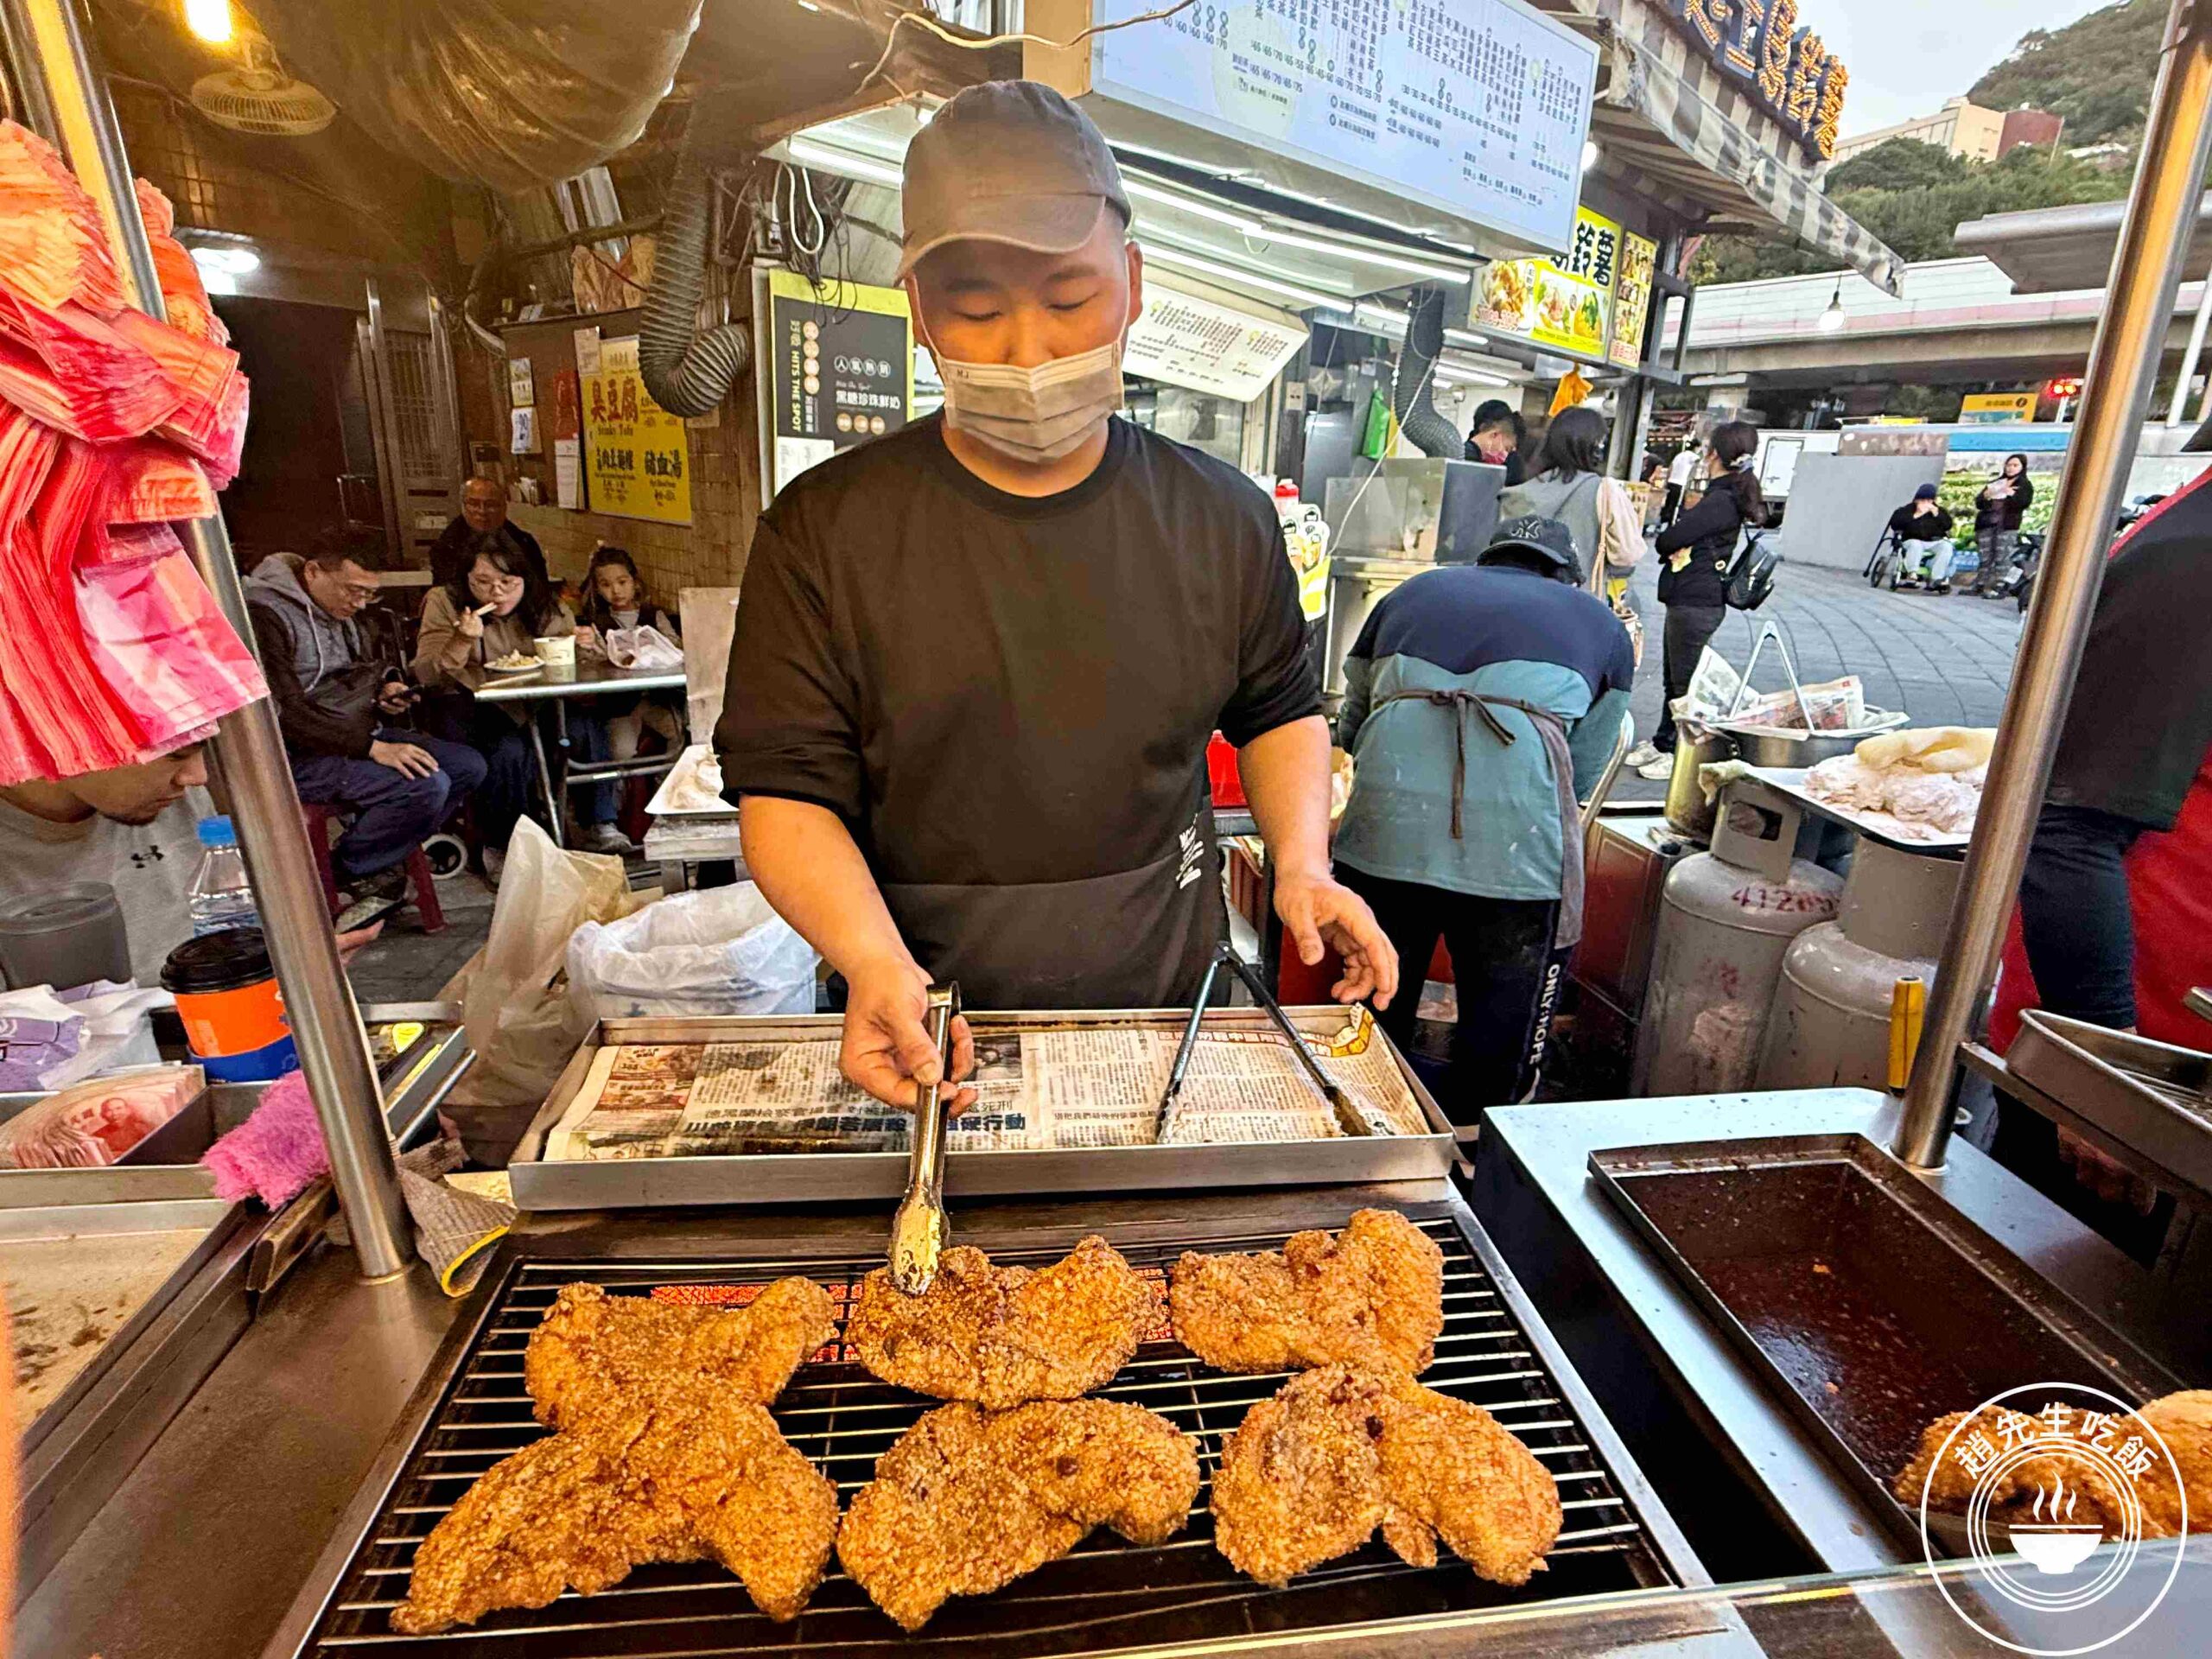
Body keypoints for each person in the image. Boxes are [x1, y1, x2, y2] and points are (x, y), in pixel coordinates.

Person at [716, 79, 1396, 1113]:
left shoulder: (1222, 517)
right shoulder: (824, 528)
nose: (1027, 349)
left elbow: (1278, 710)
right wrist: (865, 959)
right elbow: (786, 790)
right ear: (918, 312)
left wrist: (1301, 863)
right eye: (977, 308)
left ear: (1130, 282)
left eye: (1069, 299)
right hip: (922, 1010)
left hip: (1168, 1007)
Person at [1982, 465, 2212, 1262]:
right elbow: (2068, 828)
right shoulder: (2194, 558)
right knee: (2075, 1360)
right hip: (2145, 1087)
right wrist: (2109, 1084)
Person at [1332, 516, 1634, 1114]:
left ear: (1487, 559)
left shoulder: (1410, 594)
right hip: (1517, 860)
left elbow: (1352, 721)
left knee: (1369, 1007)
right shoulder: (1601, 624)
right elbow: (1585, 763)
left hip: (1385, 839)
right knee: (1499, 1041)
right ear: (1565, 575)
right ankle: (1475, 1161)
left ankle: (1353, 1138)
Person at [0, 743, 379, 984]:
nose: (197, 776)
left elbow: (222, 926)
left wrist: (289, 961)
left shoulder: (171, 799)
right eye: (176, 754)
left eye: (201, 749)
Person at [245, 530, 487, 900]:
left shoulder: (339, 610)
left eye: (369, 593)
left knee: (466, 765)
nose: (360, 603)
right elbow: (281, 711)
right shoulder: (264, 616)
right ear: (312, 572)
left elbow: (363, 668)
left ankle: (367, 860)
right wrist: (371, 749)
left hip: (352, 733)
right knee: (425, 784)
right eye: (352, 590)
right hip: (294, 752)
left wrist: (386, 689)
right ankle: (347, 872)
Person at [415, 538, 626, 870]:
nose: (496, 593)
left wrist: (588, 646)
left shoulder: (546, 605)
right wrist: (461, 639)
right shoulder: (445, 602)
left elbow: (579, 659)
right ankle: (503, 843)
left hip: (540, 702)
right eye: (483, 583)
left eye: (507, 583)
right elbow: (427, 673)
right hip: (475, 707)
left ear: (525, 580)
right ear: (466, 580)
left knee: (586, 726)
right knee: (508, 750)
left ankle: (599, 823)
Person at [1633, 420, 1764, 779]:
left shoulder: (1721, 500)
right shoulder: (1726, 496)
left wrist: (1675, 532)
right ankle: (1663, 741)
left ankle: (1680, 752)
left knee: (1685, 682)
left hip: (1697, 599)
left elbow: (1667, 540)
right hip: (1694, 598)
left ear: (1716, 455)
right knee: (1674, 677)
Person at [572, 545, 685, 833]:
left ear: (635, 582)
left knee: (679, 741)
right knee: (620, 752)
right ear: (597, 589)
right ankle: (618, 815)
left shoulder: (654, 616)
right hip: (619, 705)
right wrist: (592, 651)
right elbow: (590, 664)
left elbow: (676, 651)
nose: (616, 591)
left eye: (622, 582)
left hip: (657, 700)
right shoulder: (594, 624)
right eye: (606, 585)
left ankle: (667, 804)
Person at [1497, 406, 1643, 601]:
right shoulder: (1604, 490)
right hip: (1576, 603)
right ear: (1596, 446)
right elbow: (1627, 554)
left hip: (1519, 599)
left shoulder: (1520, 488)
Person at [429, 476, 550, 590]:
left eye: (490, 505)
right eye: (474, 504)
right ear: (463, 507)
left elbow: (539, 587)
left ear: (504, 507)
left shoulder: (523, 542)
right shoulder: (448, 545)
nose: (482, 511)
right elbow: (447, 592)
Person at [1969, 453, 2033, 597]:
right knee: (1985, 556)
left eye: (2015, 465)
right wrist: (1986, 496)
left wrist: (2011, 494)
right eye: (2009, 465)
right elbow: (1979, 502)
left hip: (2006, 525)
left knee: (2002, 556)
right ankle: (1980, 583)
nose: (2011, 468)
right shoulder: (1997, 482)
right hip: (1987, 524)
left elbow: (2023, 503)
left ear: (2022, 467)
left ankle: (2001, 586)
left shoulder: (2024, 485)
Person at [1884, 483, 1959, 592]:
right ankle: (1912, 574)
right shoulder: (1906, 510)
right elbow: (1895, 524)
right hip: (1911, 539)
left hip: (1933, 540)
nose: (1926, 503)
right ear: (1917, 500)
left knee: (1946, 546)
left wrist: (1937, 515)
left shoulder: (1938, 511)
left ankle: (1936, 578)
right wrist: (1917, 515)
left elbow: (1948, 525)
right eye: (1923, 500)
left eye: (1929, 501)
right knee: (1916, 544)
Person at [1464, 399, 1527, 486]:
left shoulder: (1463, 452)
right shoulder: (1465, 461)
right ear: (1494, 434)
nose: (1505, 456)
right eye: (1507, 449)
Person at [1660, 442, 1699, 529]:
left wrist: (1666, 481)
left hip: (1671, 482)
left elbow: (1671, 468)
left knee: (1668, 504)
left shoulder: (1679, 455)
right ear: (1695, 448)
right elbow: (1699, 461)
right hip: (1680, 483)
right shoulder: (1692, 455)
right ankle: (1672, 525)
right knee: (1676, 505)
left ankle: (1662, 523)